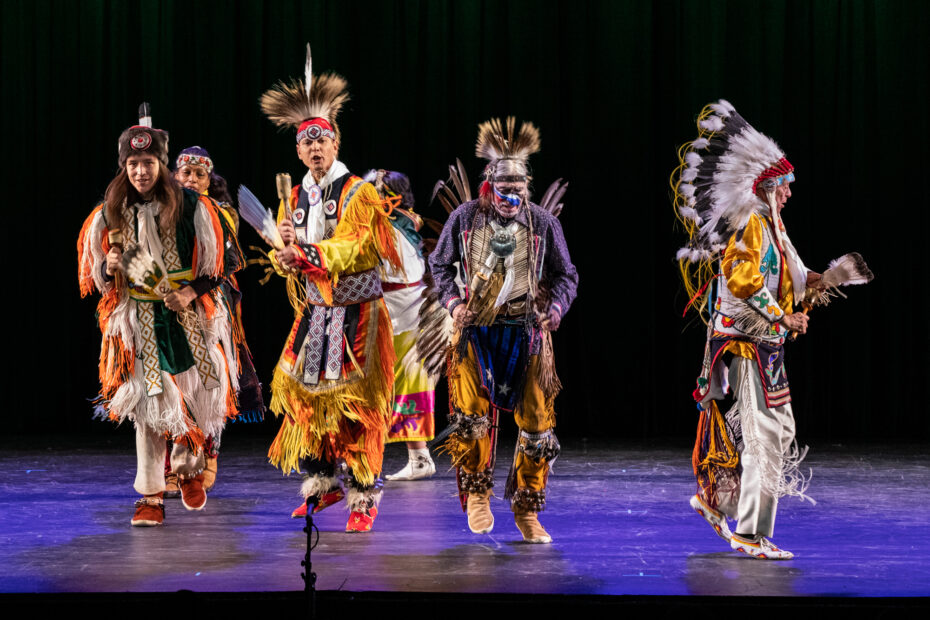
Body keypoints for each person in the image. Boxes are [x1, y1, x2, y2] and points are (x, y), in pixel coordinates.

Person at [259, 46, 402, 532]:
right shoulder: (294, 198)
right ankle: (322, 483)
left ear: (336, 143)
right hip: (317, 312)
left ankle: (364, 496)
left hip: (360, 311)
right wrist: (284, 259)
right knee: (307, 400)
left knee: (359, 405)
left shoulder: (359, 193)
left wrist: (307, 255)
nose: (316, 149)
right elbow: (288, 259)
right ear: (298, 151)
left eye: (323, 140)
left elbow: (354, 248)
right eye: (307, 143)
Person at [672, 100, 819, 559]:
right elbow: (741, 278)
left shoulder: (774, 225)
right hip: (745, 342)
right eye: (784, 186)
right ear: (767, 187)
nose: (789, 194)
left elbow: (794, 274)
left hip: (765, 344)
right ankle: (750, 533)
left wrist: (820, 284)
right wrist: (781, 316)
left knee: (779, 429)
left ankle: (717, 498)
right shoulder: (752, 223)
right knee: (764, 435)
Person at [77, 114, 240, 526]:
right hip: (139, 320)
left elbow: (219, 265)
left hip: (189, 317)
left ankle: (187, 469)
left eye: (149, 162)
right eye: (133, 164)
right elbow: (96, 276)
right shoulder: (108, 212)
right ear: (123, 166)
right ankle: (150, 494)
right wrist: (111, 265)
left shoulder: (194, 207)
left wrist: (190, 291)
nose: (141, 171)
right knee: (150, 403)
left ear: (161, 165)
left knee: (202, 391)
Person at [429, 117, 578, 543]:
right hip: (476, 333)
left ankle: (527, 508)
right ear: (489, 187)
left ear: (528, 187)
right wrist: (454, 302)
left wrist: (556, 308)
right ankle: (477, 494)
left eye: (519, 189)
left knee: (536, 422)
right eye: (503, 190)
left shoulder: (545, 226)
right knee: (471, 415)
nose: (511, 197)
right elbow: (440, 265)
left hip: (528, 334)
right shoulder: (464, 219)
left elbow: (567, 275)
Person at [160, 146, 265, 496]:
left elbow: (230, 263)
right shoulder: (158, 209)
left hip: (208, 310)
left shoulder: (218, 213)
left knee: (209, 381)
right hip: (165, 309)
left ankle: (208, 452)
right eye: (185, 173)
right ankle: (170, 466)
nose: (190, 179)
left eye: (198, 174)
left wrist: (191, 292)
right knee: (170, 385)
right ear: (174, 176)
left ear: (208, 180)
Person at [366, 170, 438, 481]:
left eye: (376, 191)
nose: (370, 198)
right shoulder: (403, 220)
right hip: (396, 309)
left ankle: (419, 458)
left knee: (409, 382)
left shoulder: (389, 224)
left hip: (407, 310)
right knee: (393, 382)